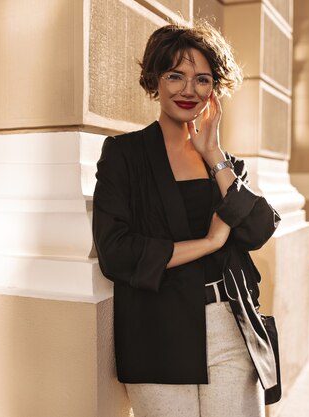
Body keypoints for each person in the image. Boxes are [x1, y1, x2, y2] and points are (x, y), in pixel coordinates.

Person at [92, 20, 280, 417]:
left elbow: (260, 227)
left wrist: (213, 155)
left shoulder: (227, 165)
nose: (188, 90)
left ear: (215, 89)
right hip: (156, 330)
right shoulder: (124, 155)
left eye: (202, 79)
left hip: (230, 325)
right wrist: (210, 243)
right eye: (175, 75)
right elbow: (116, 253)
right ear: (155, 80)